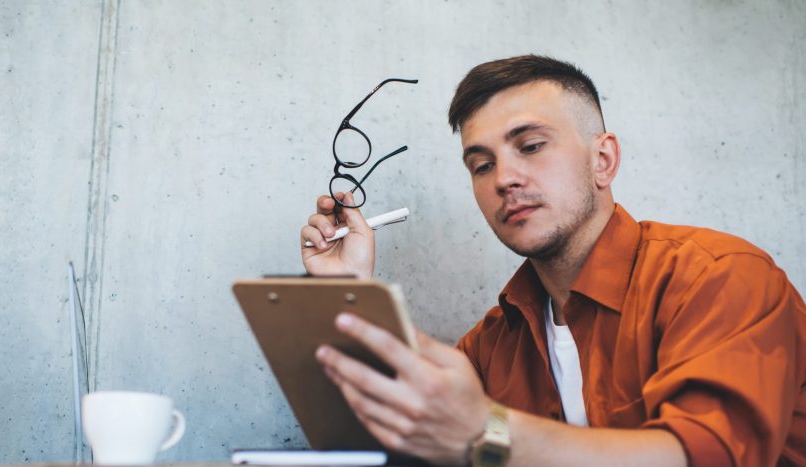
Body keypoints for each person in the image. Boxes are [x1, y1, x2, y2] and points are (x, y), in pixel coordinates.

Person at [299, 55, 806, 467]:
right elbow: (386, 441)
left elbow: (705, 458)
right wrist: (346, 290)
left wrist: (486, 431)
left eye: (531, 146)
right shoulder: (497, 341)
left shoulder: (719, 276)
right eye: (482, 164)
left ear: (602, 160)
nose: (504, 178)